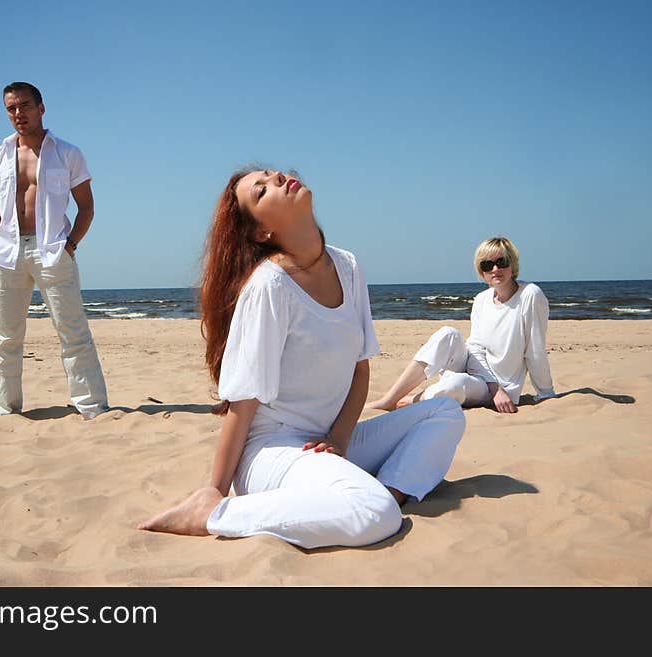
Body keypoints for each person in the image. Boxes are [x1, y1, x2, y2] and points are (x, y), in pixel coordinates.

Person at [138, 167, 466, 549]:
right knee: (374, 513)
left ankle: (388, 492)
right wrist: (215, 490)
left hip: (325, 443)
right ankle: (211, 516)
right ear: (261, 232)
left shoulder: (348, 266)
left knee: (443, 412)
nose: (277, 177)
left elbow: (360, 369)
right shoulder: (269, 286)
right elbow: (242, 404)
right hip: (274, 452)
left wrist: (339, 441)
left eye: (270, 173)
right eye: (260, 191)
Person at [0, 81, 108, 419]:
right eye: (11, 108)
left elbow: (87, 207)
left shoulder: (67, 153)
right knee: (6, 337)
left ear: (41, 108)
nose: (18, 113)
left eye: (24, 105)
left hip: (52, 250)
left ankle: (91, 406)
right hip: (7, 253)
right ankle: (4, 408)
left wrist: (70, 246)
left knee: (73, 331)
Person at [366, 236, 555, 414]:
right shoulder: (482, 299)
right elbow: (475, 347)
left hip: (498, 387)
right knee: (448, 333)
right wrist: (493, 386)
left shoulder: (530, 295)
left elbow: (535, 350)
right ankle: (389, 400)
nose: (495, 269)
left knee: (454, 384)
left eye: (502, 262)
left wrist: (546, 394)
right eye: (488, 265)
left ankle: (413, 399)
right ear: (481, 271)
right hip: (479, 373)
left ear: (512, 264)